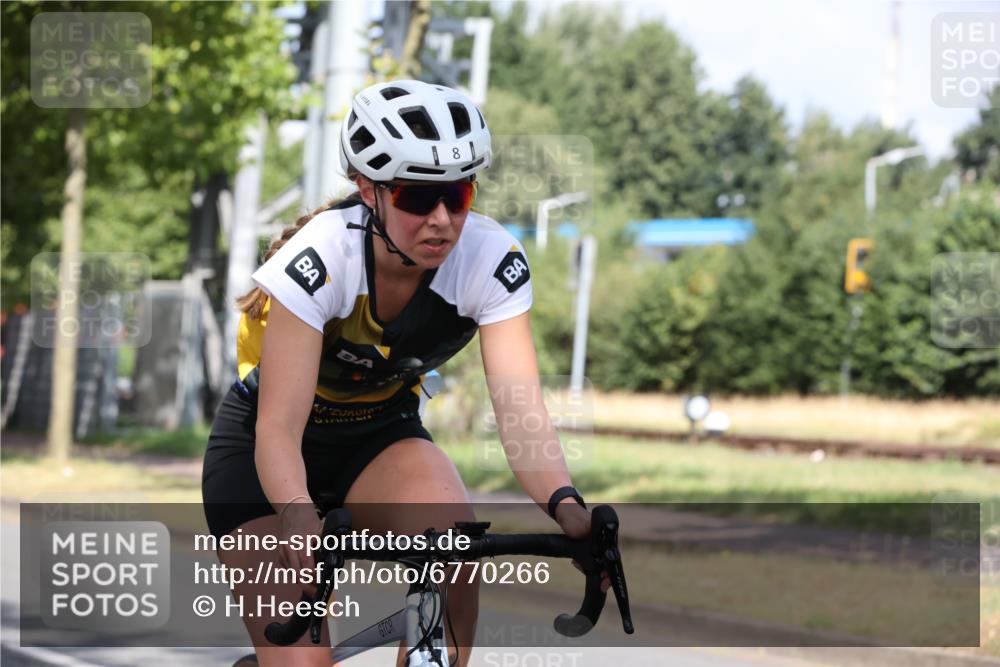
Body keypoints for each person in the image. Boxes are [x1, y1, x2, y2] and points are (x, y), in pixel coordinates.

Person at [201, 80, 595, 667]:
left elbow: (519, 411)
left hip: (379, 436)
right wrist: (295, 511)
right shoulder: (322, 257)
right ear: (369, 190)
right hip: (268, 457)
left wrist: (568, 508)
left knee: (455, 548)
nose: (441, 220)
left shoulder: (490, 258)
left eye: (457, 196)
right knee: (302, 659)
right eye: (416, 198)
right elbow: (278, 428)